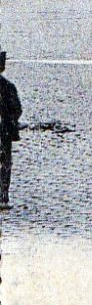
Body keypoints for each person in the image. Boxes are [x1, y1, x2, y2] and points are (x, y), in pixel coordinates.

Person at [0, 51, 19, 210]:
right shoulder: (8, 87)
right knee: (5, 163)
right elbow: (17, 109)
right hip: (4, 131)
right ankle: (3, 196)